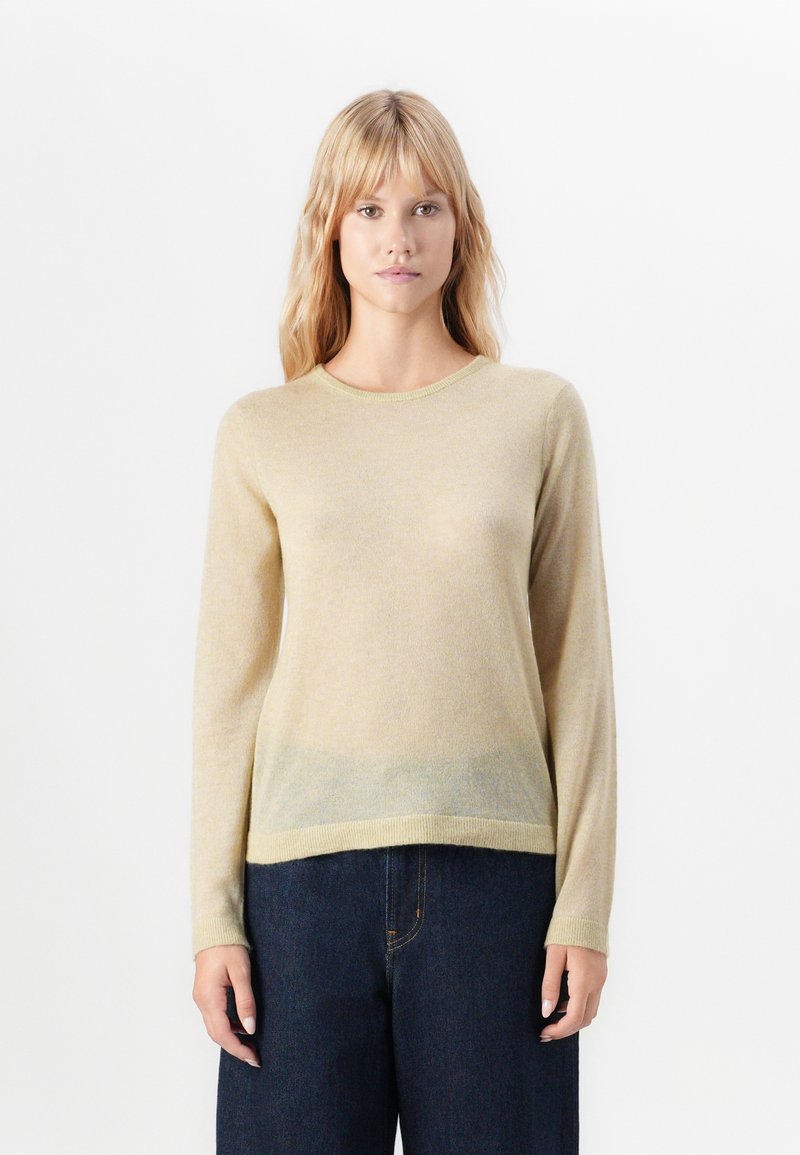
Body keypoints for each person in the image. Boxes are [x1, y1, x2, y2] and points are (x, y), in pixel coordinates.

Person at [190, 88, 617, 1154]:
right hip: (298, 890)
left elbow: (576, 671)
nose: (398, 238)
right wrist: (213, 920)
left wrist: (582, 906)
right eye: (369, 210)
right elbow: (227, 692)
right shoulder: (263, 432)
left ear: (460, 227)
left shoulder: (536, 416)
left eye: (426, 207)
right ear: (329, 229)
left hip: (495, 882)